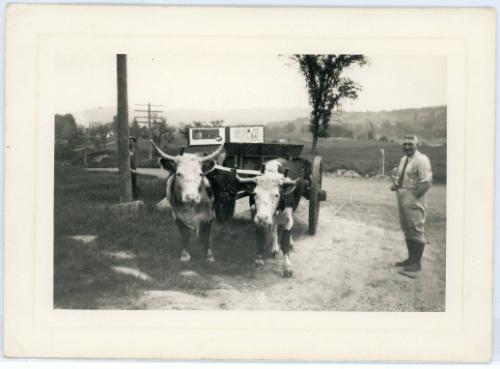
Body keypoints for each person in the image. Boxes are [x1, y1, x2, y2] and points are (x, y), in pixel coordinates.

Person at [390, 135, 432, 272]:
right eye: (405, 144)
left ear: (417, 144)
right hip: (402, 197)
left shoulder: (421, 160)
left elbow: (426, 183)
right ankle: (411, 259)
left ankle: (417, 263)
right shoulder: (404, 159)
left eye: (410, 144)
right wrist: (397, 185)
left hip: (414, 198)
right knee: (407, 229)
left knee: (416, 229)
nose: (407, 147)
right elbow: (403, 177)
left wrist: (414, 198)